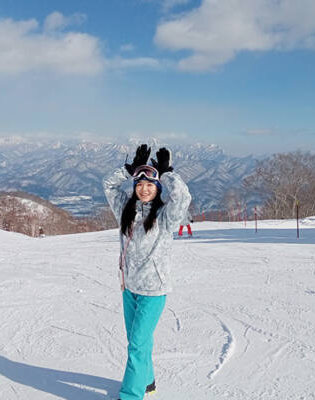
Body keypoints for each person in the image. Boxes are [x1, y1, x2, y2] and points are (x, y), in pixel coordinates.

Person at [103, 144, 191, 400]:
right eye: (140, 184)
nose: (144, 188)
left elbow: (183, 198)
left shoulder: (165, 216)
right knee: (139, 343)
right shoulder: (125, 211)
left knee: (137, 346)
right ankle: (148, 382)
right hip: (129, 288)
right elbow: (108, 185)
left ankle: (130, 396)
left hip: (153, 291)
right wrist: (128, 169)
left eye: (150, 185)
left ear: (157, 188)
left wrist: (167, 173)